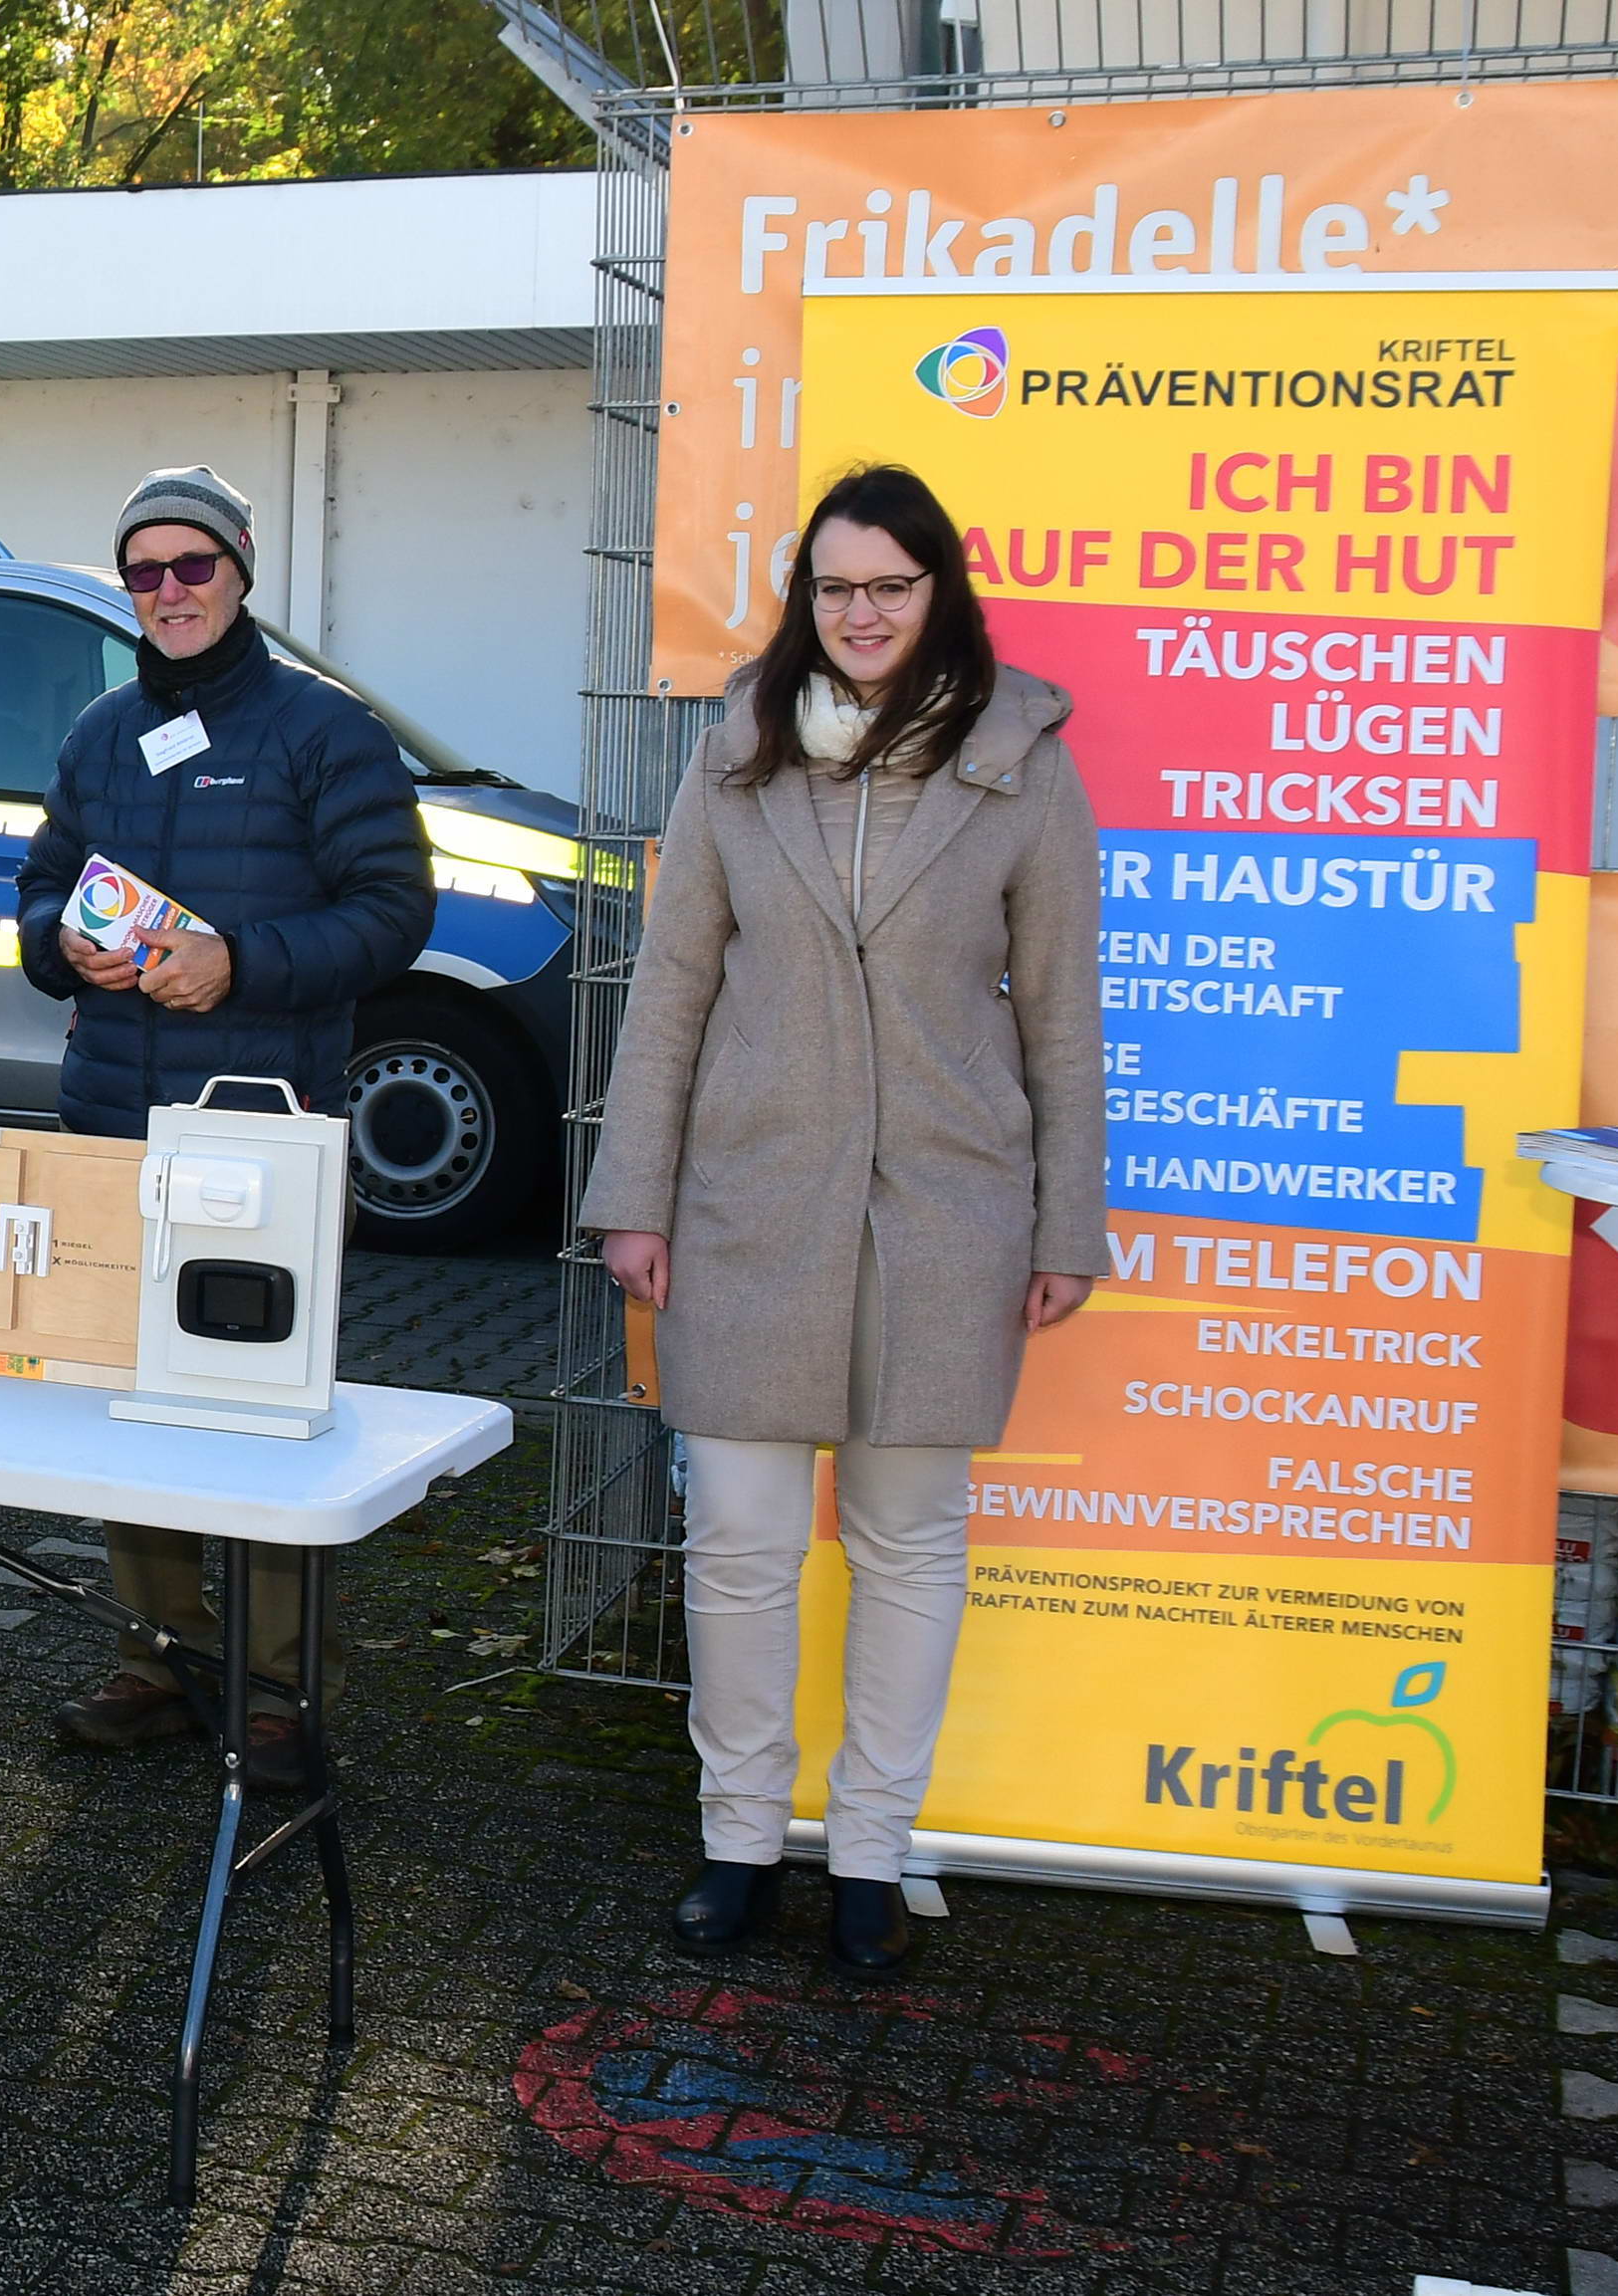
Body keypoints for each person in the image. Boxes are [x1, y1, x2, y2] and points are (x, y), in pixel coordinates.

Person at [583, 463, 1104, 1977]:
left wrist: (1066, 1219)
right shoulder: (738, 751)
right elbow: (670, 987)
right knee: (740, 1540)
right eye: (833, 586)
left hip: (951, 1215)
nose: (860, 612)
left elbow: (1064, 1018)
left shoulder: (1023, 760)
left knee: (909, 1542)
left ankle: (872, 1853)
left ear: (939, 591)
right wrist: (635, 1196)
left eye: (888, 584)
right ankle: (739, 1838)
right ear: (802, 598)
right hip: (748, 1203)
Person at [12, 465, 433, 1791]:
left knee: (260, 1412)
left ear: (242, 571)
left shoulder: (325, 730)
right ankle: (157, 1657)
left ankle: (275, 1686)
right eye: (146, 572)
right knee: (132, 1410)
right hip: (112, 1125)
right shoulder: (96, 734)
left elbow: (392, 912)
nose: (171, 592)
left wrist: (238, 963)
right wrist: (59, 944)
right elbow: (34, 900)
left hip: (261, 1137)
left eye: (194, 566)